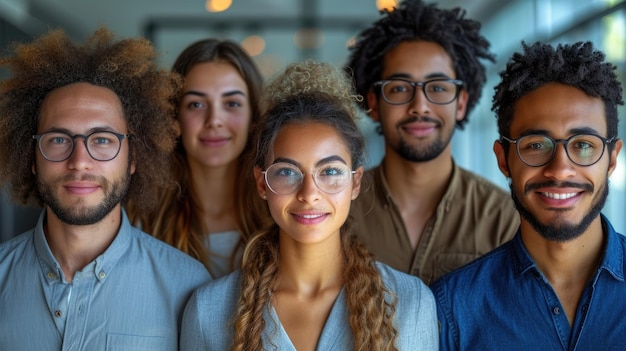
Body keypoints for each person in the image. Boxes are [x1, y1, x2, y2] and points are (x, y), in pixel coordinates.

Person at [180, 60, 438, 350]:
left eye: (329, 172)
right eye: (287, 172)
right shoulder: (208, 310)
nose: (309, 193)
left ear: (355, 183)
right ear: (262, 183)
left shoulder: (411, 303)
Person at [0, 28, 211, 350]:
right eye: (58, 140)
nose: (80, 162)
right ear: (31, 157)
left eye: (102, 140)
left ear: (133, 159)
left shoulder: (189, 288)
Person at [432, 41, 625, 350]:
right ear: (503, 159)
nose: (560, 170)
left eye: (584, 145)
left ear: (612, 158)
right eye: (536, 145)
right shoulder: (453, 307)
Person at [345, 0, 519, 284]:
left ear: (461, 103)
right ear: (374, 104)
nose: (420, 106)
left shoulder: (503, 219)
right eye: (400, 88)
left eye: (438, 88)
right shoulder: (338, 209)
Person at [126, 39, 267, 278]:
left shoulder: (277, 213)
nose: (214, 119)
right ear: (174, 117)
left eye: (232, 103)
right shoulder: (139, 217)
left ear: (253, 117)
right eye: (196, 104)